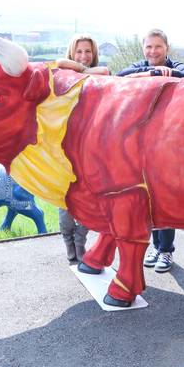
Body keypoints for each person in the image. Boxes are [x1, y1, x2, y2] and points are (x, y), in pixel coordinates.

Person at [117, 28, 184, 273]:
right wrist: (153, 72)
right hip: (142, 143)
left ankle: (167, 251)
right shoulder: (139, 66)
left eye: (158, 47)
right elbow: (120, 76)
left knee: (164, 198)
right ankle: (156, 246)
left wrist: (168, 72)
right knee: (148, 200)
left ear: (166, 48)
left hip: (168, 142)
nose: (153, 51)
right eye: (149, 47)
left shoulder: (177, 66)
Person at [56, 34, 108, 264]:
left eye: (88, 52)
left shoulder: (102, 75)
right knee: (64, 198)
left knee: (88, 199)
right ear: (72, 52)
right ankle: (68, 240)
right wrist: (83, 70)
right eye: (79, 52)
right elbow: (60, 63)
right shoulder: (63, 74)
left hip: (92, 148)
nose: (83, 56)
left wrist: (85, 71)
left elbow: (105, 71)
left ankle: (80, 240)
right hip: (63, 146)